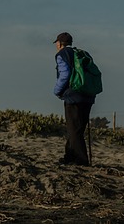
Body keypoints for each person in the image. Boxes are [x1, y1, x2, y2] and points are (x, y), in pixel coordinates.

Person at [52, 32, 95, 166]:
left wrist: (57, 91)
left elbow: (65, 74)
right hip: (88, 95)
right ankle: (69, 157)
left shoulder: (62, 54)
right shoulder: (82, 53)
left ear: (59, 44)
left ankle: (81, 160)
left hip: (73, 96)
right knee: (77, 129)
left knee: (73, 130)